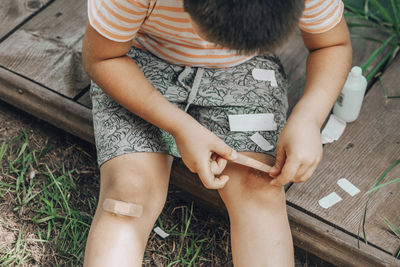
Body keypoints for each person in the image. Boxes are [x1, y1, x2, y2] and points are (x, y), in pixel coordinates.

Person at [82, 0, 352, 266]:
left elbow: (332, 44)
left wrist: (309, 118)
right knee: (128, 196)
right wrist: (180, 125)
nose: (214, 47)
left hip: (243, 71)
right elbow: (103, 57)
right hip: (135, 64)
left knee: (258, 184)